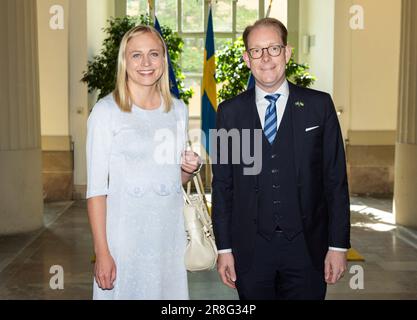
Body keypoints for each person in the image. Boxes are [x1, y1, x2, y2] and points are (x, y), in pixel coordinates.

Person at [212, 18, 350, 300]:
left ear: (287, 53)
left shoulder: (319, 106)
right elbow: (223, 186)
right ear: (246, 59)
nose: (265, 58)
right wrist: (223, 249)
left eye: (273, 48)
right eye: (256, 51)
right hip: (250, 251)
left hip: (307, 248)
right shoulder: (230, 113)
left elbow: (335, 181)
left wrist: (338, 246)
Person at [86, 25, 200, 300]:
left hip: (168, 238)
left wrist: (186, 170)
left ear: (164, 59)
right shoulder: (106, 112)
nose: (146, 63)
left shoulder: (177, 110)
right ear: (125, 61)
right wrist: (102, 252)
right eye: (136, 55)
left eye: (154, 54)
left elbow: (172, 181)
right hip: (125, 239)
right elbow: (96, 191)